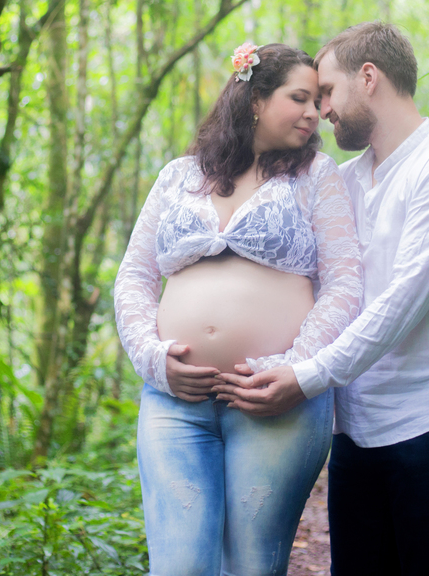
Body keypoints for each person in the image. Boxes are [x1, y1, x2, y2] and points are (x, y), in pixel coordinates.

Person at [216, 22, 429, 576]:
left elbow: (399, 303)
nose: (320, 110)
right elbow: (309, 288)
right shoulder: (341, 181)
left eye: (325, 93)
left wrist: (305, 376)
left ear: (368, 77)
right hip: (356, 432)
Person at [113, 42, 363, 576]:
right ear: (254, 100)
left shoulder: (317, 176)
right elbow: (134, 277)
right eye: (299, 97)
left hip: (275, 406)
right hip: (174, 400)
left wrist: (291, 367)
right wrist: (154, 360)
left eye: (318, 100)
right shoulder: (178, 176)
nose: (314, 113)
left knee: (253, 568)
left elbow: (345, 284)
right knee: (179, 567)